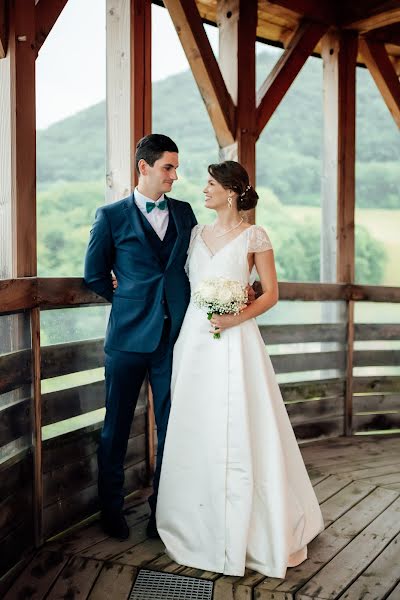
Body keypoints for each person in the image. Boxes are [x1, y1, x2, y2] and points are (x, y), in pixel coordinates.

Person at [156, 160, 324, 578]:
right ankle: (196, 521)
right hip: (194, 342)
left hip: (235, 338)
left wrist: (236, 317)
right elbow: (170, 275)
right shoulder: (195, 233)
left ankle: (249, 527)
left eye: (210, 184)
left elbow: (271, 294)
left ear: (231, 191)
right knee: (197, 425)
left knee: (239, 421)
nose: (204, 190)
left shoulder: (255, 235)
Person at [84, 134, 197, 540]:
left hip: (176, 339)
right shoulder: (110, 216)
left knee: (172, 427)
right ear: (143, 167)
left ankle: (160, 513)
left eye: (176, 167)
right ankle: (110, 510)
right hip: (128, 339)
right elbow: (94, 274)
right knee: (115, 426)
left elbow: (193, 266)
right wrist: (127, 298)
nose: (175, 176)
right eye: (168, 167)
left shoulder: (185, 214)